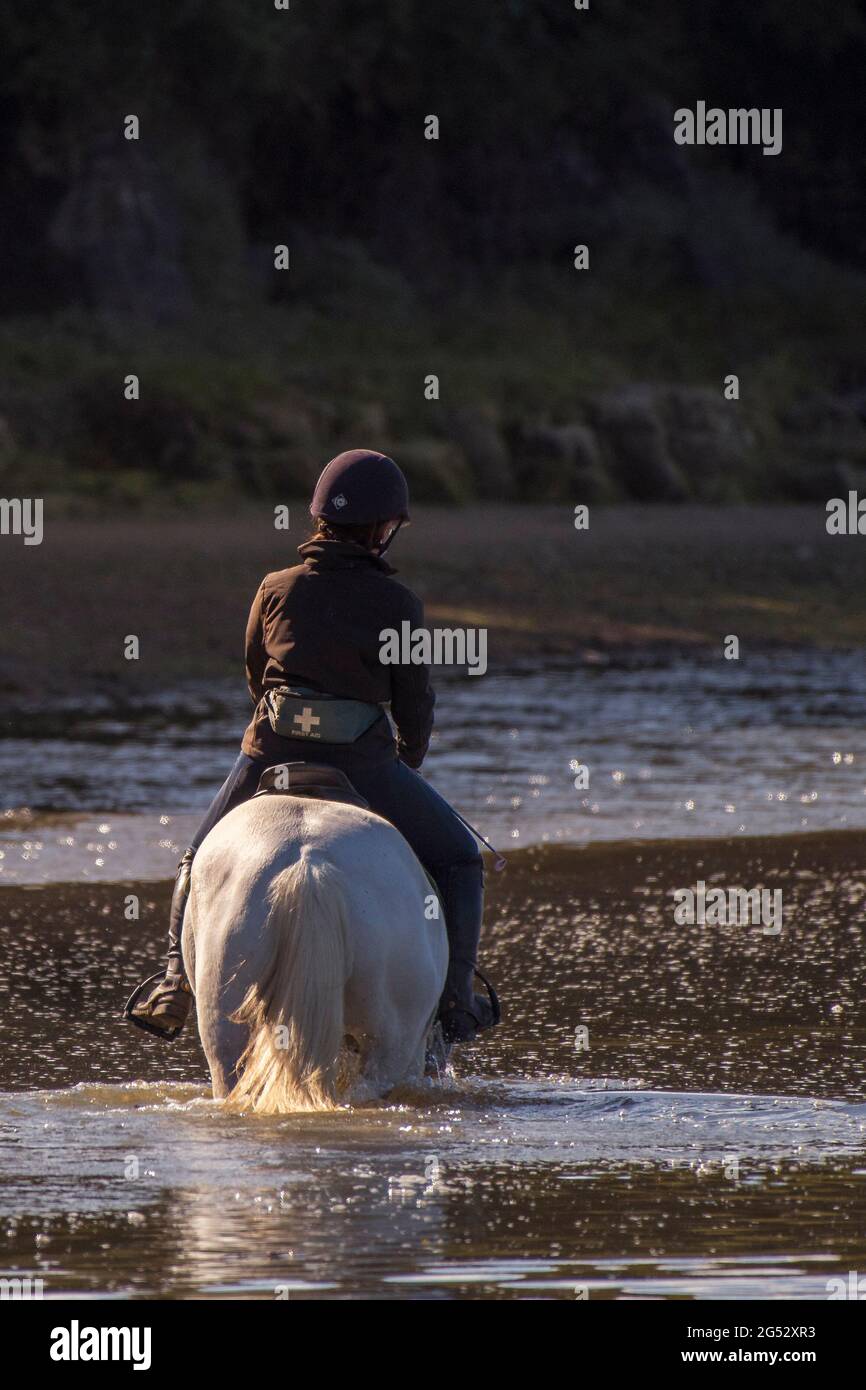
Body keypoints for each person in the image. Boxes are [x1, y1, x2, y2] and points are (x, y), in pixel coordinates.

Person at [125, 448, 500, 1047]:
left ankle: (174, 980)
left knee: (198, 857)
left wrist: (278, 732)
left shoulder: (275, 587)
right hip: (362, 762)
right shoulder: (398, 605)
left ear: (320, 518)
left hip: (270, 749)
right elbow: (414, 701)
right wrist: (408, 756)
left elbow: (255, 675)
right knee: (460, 861)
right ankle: (456, 1002)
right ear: (383, 528)